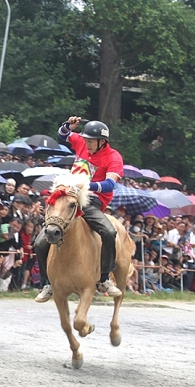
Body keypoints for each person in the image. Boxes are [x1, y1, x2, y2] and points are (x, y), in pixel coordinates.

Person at [34, 116, 124, 303]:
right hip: (70, 198)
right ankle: (47, 283)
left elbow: (109, 185)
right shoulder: (82, 143)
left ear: (102, 141)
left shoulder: (113, 157)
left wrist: (85, 187)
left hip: (92, 201)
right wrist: (68, 125)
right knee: (39, 242)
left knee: (108, 232)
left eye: (91, 141)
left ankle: (104, 279)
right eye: (86, 140)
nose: (87, 144)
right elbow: (62, 136)